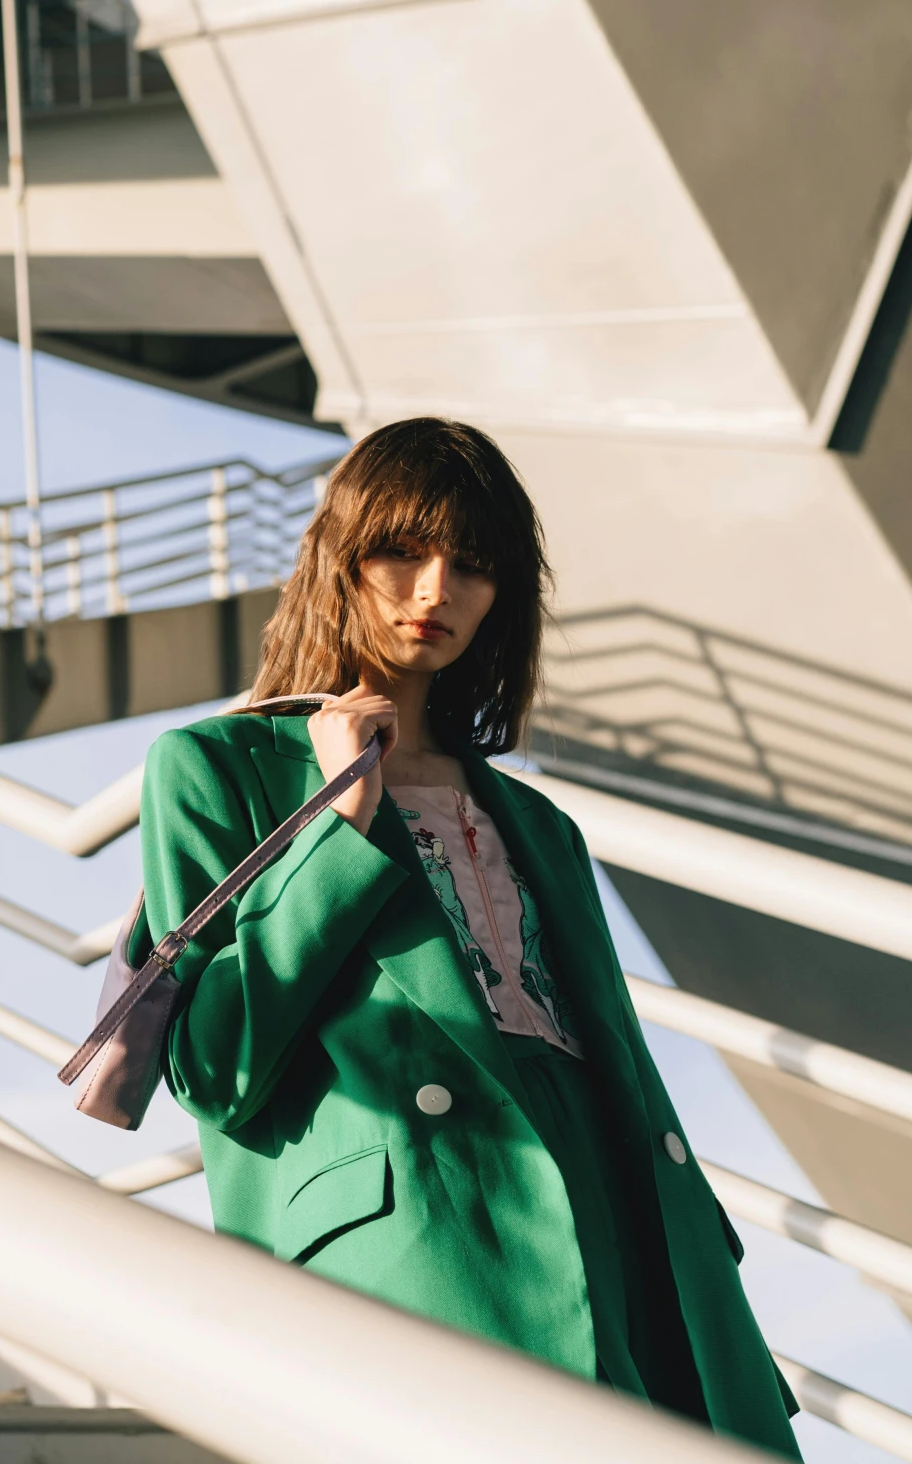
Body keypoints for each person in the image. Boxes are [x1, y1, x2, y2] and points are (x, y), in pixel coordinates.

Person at [135, 418, 800, 1456]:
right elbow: (215, 1064)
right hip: (422, 1222)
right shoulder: (220, 767)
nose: (434, 588)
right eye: (400, 549)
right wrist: (339, 820)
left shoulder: (540, 824)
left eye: (474, 565)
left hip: (606, 1197)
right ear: (339, 556)